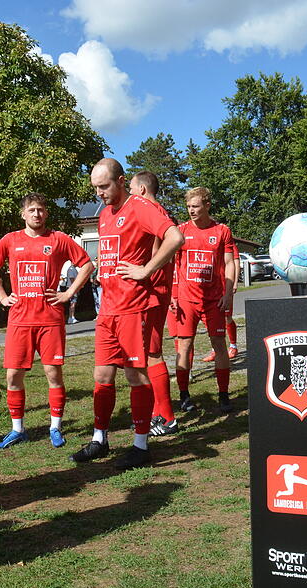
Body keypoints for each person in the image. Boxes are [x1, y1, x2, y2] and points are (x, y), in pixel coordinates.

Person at [70, 158, 183, 470]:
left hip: (134, 308)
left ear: (121, 181)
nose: (100, 193)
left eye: (104, 186)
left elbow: (175, 238)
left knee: (135, 375)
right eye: (95, 188)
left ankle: (140, 445)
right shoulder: (105, 214)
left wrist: (146, 269)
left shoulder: (141, 207)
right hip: (108, 309)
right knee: (102, 376)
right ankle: (99, 439)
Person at [0, 193, 93, 449]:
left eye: (41, 210)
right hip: (20, 320)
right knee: (13, 376)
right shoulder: (11, 240)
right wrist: (2, 296)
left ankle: (55, 427)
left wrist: (68, 293)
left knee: (52, 373)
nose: (37, 214)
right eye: (32, 210)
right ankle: (17, 429)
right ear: (23, 214)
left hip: (50, 319)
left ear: (46, 213)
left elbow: (87, 265)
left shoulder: (58, 239)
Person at [172, 187, 236, 414]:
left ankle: (224, 395)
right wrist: (173, 294)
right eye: (189, 206)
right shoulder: (180, 231)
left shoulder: (222, 231)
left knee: (219, 345)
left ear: (207, 205)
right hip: (187, 299)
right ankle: (184, 395)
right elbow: (173, 264)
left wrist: (228, 293)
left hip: (214, 299)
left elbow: (229, 263)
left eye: (196, 206)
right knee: (185, 345)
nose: (191, 211)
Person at [128, 171, 178, 436]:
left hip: (153, 291)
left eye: (132, 189)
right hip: (156, 288)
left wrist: (144, 270)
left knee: (152, 353)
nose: (129, 195)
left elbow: (161, 247)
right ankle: (157, 412)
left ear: (143, 190)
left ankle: (166, 417)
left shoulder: (151, 211)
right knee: (148, 352)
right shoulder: (160, 211)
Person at [201, 244, 240, 362]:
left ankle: (233, 346)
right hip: (212, 286)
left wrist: (235, 282)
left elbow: (236, 262)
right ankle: (215, 350)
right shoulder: (210, 241)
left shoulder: (230, 243)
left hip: (225, 286)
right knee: (211, 319)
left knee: (227, 317)